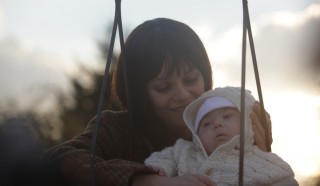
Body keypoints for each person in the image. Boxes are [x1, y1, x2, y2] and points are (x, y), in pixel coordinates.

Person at [44, 18, 272, 186]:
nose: (182, 94)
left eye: (191, 79)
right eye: (163, 87)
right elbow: (59, 160)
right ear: (138, 93)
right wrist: (148, 181)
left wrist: (260, 154)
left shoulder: (227, 122)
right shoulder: (116, 129)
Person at [145, 86, 298, 186]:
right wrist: (159, 169)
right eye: (206, 124)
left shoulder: (262, 160)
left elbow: (285, 180)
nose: (217, 124)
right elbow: (163, 157)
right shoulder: (184, 151)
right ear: (196, 135)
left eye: (227, 117)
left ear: (247, 122)